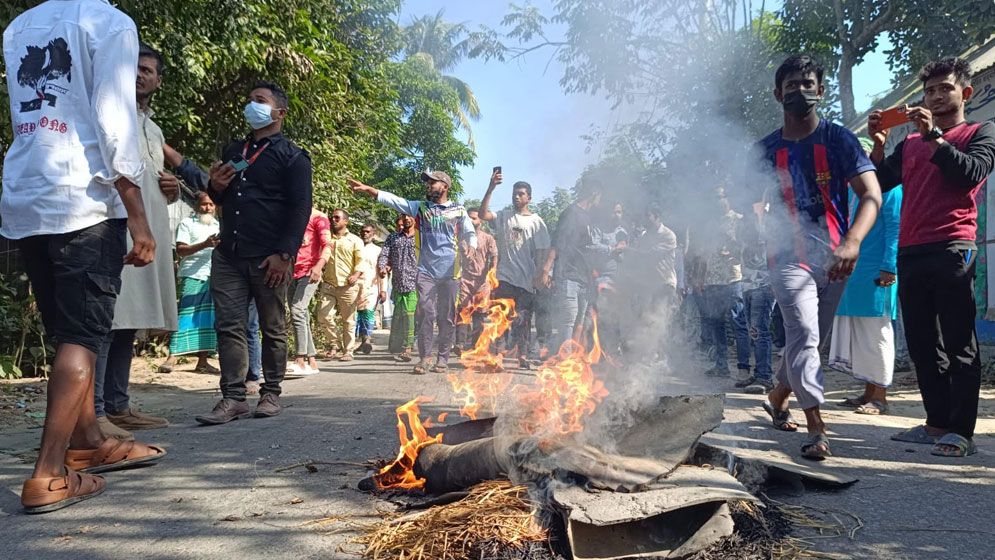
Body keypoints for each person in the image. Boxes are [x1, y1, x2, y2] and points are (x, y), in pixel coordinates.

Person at [3, 0, 163, 513]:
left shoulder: (19, 26)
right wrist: (138, 216)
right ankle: (48, 474)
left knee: (69, 332)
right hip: (85, 200)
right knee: (83, 335)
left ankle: (89, 440)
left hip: (27, 196)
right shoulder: (109, 22)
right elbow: (114, 124)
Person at [756, 54, 882, 460]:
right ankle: (817, 428)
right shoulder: (764, 151)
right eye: (791, 85)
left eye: (807, 84)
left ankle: (778, 395)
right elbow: (746, 203)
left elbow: (871, 195)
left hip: (836, 259)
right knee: (805, 336)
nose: (800, 91)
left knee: (809, 339)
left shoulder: (839, 140)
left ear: (820, 90)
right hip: (787, 259)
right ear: (778, 95)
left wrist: (853, 241)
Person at [870, 57, 995, 457]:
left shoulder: (980, 131)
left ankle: (961, 431)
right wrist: (877, 145)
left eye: (946, 88)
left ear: (965, 93)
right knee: (924, 343)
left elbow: (970, 173)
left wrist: (934, 138)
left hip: (953, 247)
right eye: (930, 91)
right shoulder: (907, 145)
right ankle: (936, 422)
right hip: (911, 250)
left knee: (960, 341)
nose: (937, 96)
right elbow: (878, 182)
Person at [194, 81, 312, 425]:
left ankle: (271, 392)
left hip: (269, 258)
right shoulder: (234, 150)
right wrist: (213, 187)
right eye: (249, 101)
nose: (252, 106)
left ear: (279, 112)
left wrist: (284, 254)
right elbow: (219, 200)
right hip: (229, 253)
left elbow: (300, 208)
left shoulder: (293, 156)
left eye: (259, 101)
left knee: (273, 326)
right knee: (228, 325)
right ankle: (233, 398)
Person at [92, 43, 178, 440]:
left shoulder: (154, 129)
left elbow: (150, 180)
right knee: (108, 317)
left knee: (129, 322)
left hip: (149, 232)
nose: (140, 74)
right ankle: (92, 412)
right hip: (114, 226)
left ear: (159, 81)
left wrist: (172, 188)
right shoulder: (107, 113)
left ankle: (118, 406)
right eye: (134, 68)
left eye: (148, 70)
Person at [349, 171, 477, 374]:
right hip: (425, 271)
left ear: (444, 186)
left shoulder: (459, 210)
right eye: (427, 183)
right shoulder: (420, 207)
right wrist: (369, 190)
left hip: (451, 272)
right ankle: (425, 358)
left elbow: (470, 232)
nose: (428, 186)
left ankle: (442, 358)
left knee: (447, 317)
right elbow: (394, 201)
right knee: (425, 312)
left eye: (432, 183)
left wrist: (471, 246)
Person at [830, 138, 902, 416]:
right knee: (861, 332)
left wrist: (889, 267)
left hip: (877, 271)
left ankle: (880, 396)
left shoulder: (889, 187)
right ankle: (867, 392)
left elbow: (895, 229)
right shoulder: (850, 191)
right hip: (854, 274)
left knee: (877, 332)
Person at [479, 173, 550, 368]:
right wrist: (491, 187)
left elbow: (543, 250)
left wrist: (540, 274)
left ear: (529, 198)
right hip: (505, 278)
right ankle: (499, 355)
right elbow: (483, 214)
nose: (516, 197)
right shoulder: (503, 216)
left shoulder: (537, 222)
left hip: (526, 280)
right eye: (514, 194)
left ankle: (522, 355)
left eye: (521, 194)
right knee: (500, 317)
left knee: (523, 320)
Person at [540, 175, 601, 351]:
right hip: (568, 275)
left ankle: (570, 360)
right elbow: (558, 242)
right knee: (568, 319)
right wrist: (547, 269)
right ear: (594, 193)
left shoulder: (588, 217)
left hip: (583, 277)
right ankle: (563, 361)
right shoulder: (571, 213)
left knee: (579, 322)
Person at [163, 193, 220, 375]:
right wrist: (205, 244)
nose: (207, 208)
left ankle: (202, 361)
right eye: (204, 204)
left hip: (213, 275)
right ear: (196, 206)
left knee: (207, 319)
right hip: (192, 274)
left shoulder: (218, 225)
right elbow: (180, 250)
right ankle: (172, 357)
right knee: (186, 315)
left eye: (211, 204)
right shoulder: (187, 224)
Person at [696, 190, 746, 377]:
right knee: (716, 324)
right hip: (712, 281)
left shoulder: (739, 220)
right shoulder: (709, 224)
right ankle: (721, 366)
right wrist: (700, 277)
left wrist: (733, 246)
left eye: (720, 197)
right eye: (713, 198)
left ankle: (743, 368)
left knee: (738, 324)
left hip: (732, 279)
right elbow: (703, 254)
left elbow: (748, 246)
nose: (716, 202)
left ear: (728, 198)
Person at [316, 209, 364, 361]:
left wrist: (356, 275)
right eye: (332, 217)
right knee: (324, 315)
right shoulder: (327, 238)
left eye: (337, 218)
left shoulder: (355, 240)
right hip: (329, 284)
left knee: (348, 319)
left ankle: (348, 351)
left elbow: (361, 261)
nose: (333, 220)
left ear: (346, 221)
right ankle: (333, 345)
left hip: (348, 286)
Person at [288, 208, 331, 374]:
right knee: (302, 314)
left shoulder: (318, 217)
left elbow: (327, 245)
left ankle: (300, 358)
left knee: (297, 310)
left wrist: (319, 266)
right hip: (290, 271)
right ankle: (312, 360)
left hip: (310, 271)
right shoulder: (289, 214)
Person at [455, 207, 499, 356]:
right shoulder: (460, 237)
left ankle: (476, 345)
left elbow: (494, 256)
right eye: (469, 218)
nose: (471, 221)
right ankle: (460, 343)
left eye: (474, 218)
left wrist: (492, 272)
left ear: (480, 220)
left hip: (482, 281)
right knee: (463, 310)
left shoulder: (488, 238)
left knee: (479, 314)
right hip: (464, 279)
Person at [378, 215, 418, 362]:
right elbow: (384, 254)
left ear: (415, 219)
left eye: (409, 216)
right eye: (403, 216)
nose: (406, 219)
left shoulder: (421, 237)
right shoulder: (393, 237)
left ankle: (407, 348)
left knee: (409, 314)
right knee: (399, 314)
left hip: (415, 283)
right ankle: (396, 345)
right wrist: (383, 267)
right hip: (398, 283)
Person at [356, 223, 384, 355]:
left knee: (368, 312)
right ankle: (362, 341)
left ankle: (367, 339)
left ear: (373, 234)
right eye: (363, 232)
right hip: (355, 286)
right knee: (358, 315)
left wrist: (382, 289)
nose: (365, 234)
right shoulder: (356, 246)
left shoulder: (378, 250)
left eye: (368, 232)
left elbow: (382, 272)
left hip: (372, 286)